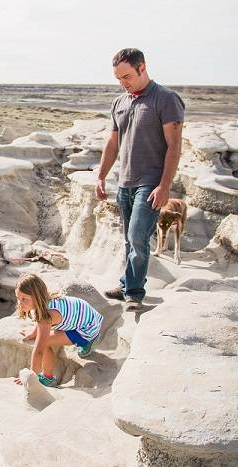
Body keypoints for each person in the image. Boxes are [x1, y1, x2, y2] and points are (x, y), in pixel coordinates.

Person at [95, 48, 185, 310]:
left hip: (151, 182)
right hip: (124, 182)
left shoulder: (166, 99)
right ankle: (126, 284)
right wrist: (101, 176)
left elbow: (174, 146)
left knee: (137, 237)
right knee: (128, 238)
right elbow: (112, 144)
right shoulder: (119, 103)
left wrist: (164, 186)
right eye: (118, 78)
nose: (123, 83)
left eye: (127, 76)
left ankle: (134, 292)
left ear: (142, 67)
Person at [13, 273, 103, 388]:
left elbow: (39, 350)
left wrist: (31, 376)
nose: (20, 303)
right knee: (42, 338)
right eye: (18, 298)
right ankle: (89, 339)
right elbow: (41, 323)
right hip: (88, 317)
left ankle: (48, 378)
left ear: (36, 297)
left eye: (24, 299)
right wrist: (34, 332)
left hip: (86, 329)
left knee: (45, 343)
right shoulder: (45, 301)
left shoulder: (47, 316)